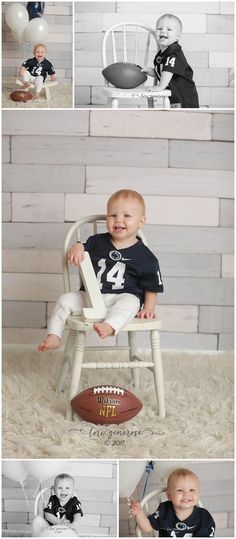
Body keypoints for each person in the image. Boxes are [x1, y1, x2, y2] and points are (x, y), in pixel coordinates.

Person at [38, 189, 164, 351]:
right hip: (89, 296)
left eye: (126, 216)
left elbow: (151, 285)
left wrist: (148, 308)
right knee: (65, 300)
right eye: (112, 215)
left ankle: (110, 325)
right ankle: (54, 336)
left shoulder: (145, 256)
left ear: (141, 221)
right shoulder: (96, 241)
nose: (118, 220)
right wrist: (78, 246)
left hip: (121, 297)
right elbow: (83, 246)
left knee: (131, 302)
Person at [131, 468, 215, 537]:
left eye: (192, 490)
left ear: (198, 493)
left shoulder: (204, 516)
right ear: (169, 495)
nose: (186, 494)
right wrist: (139, 513)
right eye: (180, 490)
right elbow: (147, 527)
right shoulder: (164, 511)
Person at [144, 14, 199, 108]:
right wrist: (150, 71)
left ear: (178, 37)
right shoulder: (163, 53)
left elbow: (168, 71)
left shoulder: (174, 53)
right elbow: (163, 72)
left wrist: (160, 87)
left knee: (184, 119)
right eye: (159, 28)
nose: (163, 31)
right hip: (175, 95)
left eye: (169, 29)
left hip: (184, 96)